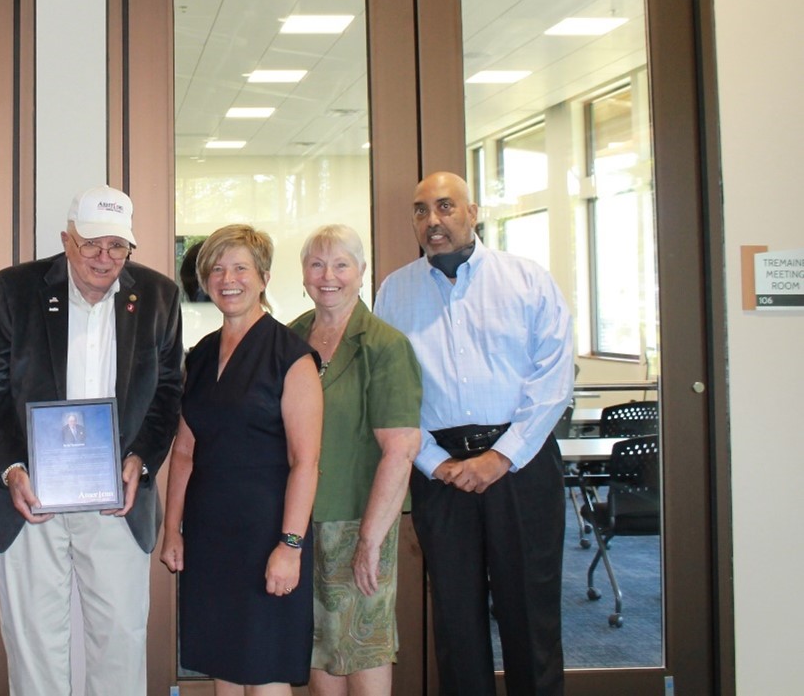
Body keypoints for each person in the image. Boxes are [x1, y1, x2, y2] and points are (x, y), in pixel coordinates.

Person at [0, 184, 184, 696]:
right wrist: (11, 469)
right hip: (32, 497)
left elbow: (169, 392)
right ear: (67, 241)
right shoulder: (14, 289)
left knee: (120, 643)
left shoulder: (158, 296)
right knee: (34, 646)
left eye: (117, 246)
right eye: (91, 244)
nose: (103, 258)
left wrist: (143, 460)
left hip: (117, 498)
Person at [373, 172, 574, 696]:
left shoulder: (527, 280)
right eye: (421, 210)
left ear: (473, 212)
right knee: (456, 622)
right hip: (440, 473)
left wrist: (500, 457)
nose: (432, 221)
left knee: (530, 614)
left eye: (445, 206)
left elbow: (553, 380)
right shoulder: (396, 291)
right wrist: (434, 462)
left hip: (522, 466)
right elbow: (391, 391)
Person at [160, 224, 323, 694]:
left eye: (240, 268)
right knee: (224, 668)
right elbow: (185, 450)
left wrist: (290, 547)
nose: (226, 278)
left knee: (265, 670)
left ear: (264, 278)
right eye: (216, 268)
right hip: (211, 537)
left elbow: (305, 461)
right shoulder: (202, 353)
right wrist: (172, 530)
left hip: (267, 535)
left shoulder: (292, 357)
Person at [286, 225, 422, 696]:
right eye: (317, 264)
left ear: (361, 272)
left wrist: (369, 539)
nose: (328, 276)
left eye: (341, 264)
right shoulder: (290, 337)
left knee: (362, 649)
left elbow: (401, 448)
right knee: (319, 647)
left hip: (359, 520)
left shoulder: (384, 346)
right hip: (301, 520)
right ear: (303, 273)